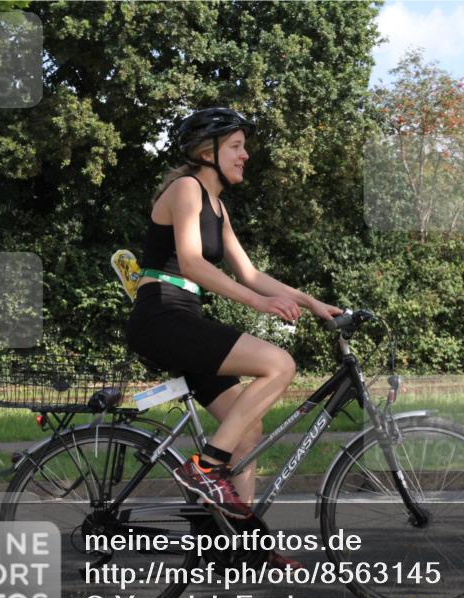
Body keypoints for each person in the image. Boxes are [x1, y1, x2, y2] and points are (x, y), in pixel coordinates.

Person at [125, 107, 341, 566]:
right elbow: (192, 264)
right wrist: (258, 304)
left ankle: (232, 544)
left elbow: (250, 272)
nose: (246, 156)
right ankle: (205, 469)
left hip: (181, 314)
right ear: (208, 152)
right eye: (237, 147)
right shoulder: (185, 189)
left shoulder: (218, 207)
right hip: (162, 313)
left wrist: (311, 303)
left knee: (247, 433)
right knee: (278, 364)